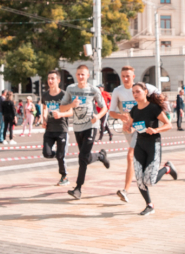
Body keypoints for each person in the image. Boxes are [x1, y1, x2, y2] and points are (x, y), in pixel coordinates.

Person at [108, 65, 161, 203]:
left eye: (128, 76)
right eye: (123, 76)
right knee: (137, 159)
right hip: (128, 128)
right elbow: (111, 112)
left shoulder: (145, 88)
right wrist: (121, 116)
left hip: (142, 128)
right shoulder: (118, 91)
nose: (125, 79)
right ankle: (164, 170)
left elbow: (160, 100)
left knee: (130, 156)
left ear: (133, 77)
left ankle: (125, 190)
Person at [126, 82, 178, 216]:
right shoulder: (134, 110)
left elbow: (168, 125)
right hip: (139, 145)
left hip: (153, 145)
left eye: (137, 91)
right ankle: (149, 205)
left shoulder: (153, 108)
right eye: (133, 92)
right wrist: (128, 127)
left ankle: (167, 168)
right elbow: (131, 127)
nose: (135, 94)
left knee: (150, 181)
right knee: (139, 179)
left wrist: (155, 130)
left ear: (145, 92)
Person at [59, 65, 110, 200]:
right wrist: (71, 105)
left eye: (83, 74)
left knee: (82, 157)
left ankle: (78, 188)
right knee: (85, 157)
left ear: (88, 76)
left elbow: (104, 108)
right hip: (77, 127)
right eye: (78, 74)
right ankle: (100, 156)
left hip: (91, 126)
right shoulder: (70, 89)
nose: (80, 77)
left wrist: (97, 117)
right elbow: (62, 108)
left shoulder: (93, 90)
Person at [42, 70, 70, 186]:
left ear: (58, 80)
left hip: (61, 129)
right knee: (47, 153)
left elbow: (71, 112)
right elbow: (44, 108)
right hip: (49, 129)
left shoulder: (64, 95)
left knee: (60, 156)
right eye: (49, 78)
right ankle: (59, 155)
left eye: (53, 78)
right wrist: (44, 119)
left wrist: (61, 114)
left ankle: (64, 176)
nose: (50, 81)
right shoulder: (45, 95)